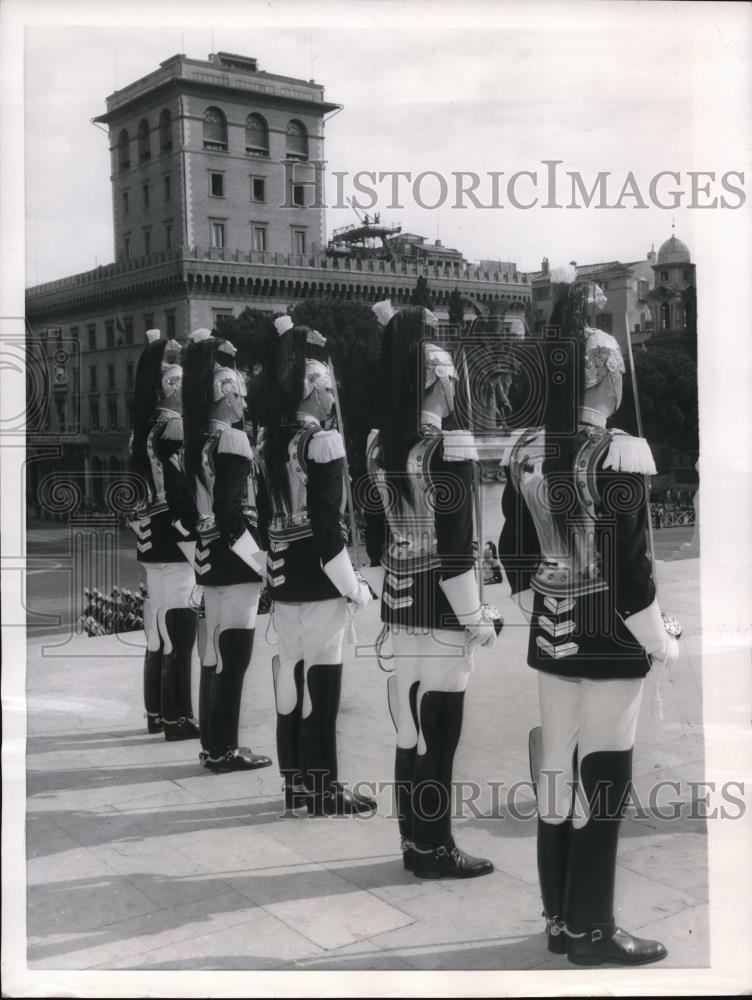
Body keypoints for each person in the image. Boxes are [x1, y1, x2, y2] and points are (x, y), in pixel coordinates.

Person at [498, 281, 679, 966]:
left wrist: (543, 604)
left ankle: (558, 918)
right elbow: (632, 574)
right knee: (602, 781)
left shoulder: (526, 450)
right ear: (603, 369)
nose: (627, 373)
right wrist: (662, 642)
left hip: (552, 634)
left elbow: (514, 555)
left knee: (556, 775)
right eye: (621, 365)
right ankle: (593, 930)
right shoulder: (620, 452)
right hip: (608, 640)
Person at [363, 305, 498, 879]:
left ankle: (412, 840)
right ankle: (435, 845)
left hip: (399, 600)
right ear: (444, 381)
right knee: (437, 733)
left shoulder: (382, 443)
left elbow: (372, 538)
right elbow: (456, 549)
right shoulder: (449, 445)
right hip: (442, 609)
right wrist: (477, 617)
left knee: (408, 726)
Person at [256, 316, 376, 816]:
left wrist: (271, 570)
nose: (333, 399)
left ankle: (295, 783)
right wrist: (355, 587)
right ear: (312, 391)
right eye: (328, 389)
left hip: (285, 578)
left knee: (291, 680)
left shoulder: (268, 443)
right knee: (322, 686)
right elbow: (330, 533)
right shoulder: (321, 443)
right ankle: (323, 787)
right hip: (321, 580)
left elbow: (264, 520)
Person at [182, 329, 272, 774]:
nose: (244, 400)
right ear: (227, 395)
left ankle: (212, 746)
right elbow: (234, 516)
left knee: (215, 657)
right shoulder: (233, 441)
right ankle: (225, 749)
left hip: (209, 559)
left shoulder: (198, 440)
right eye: (239, 392)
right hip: (237, 562)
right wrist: (264, 562)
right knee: (234, 658)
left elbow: (187, 512)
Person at [129, 330, 200, 741]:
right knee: (179, 630)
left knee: (158, 628)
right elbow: (183, 490)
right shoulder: (174, 428)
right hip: (175, 540)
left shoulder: (143, 429)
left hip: (150, 537)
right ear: (172, 390)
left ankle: (156, 711)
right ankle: (178, 717)